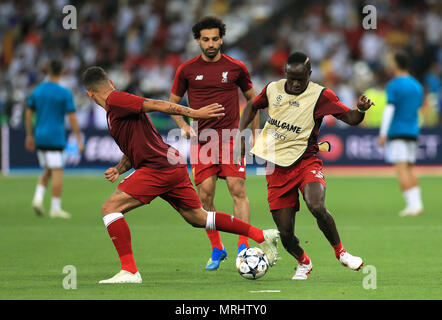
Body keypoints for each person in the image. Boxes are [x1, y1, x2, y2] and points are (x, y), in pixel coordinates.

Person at [81, 66, 279, 284]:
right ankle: (261, 235)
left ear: (89, 93)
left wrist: (194, 114)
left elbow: (156, 104)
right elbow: (134, 148)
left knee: (110, 208)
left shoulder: (116, 100)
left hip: (157, 168)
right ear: (110, 80)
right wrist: (119, 169)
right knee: (199, 218)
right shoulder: (115, 109)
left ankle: (129, 270)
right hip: (170, 165)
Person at [234, 52, 374, 280]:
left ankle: (341, 253)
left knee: (316, 205)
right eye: (292, 78)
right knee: (286, 233)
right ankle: (303, 262)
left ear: (310, 74)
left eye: (301, 78)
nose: (296, 83)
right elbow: (251, 106)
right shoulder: (273, 89)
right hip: (276, 168)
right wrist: (239, 134)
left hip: (306, 161)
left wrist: (360, 110)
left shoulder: (321, 96)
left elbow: (350, 118)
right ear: (286, 74)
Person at [169, 16, 259, 270]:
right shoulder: (186, 70)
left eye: (215, 39)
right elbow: (173, 103)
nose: (211, 43)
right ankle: (217, 247)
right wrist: (184, 126)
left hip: (231, 139)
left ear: (222, 39)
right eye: (206, 39)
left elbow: (253, 101)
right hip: (203, 142)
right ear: (198, 41)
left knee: (238, 190)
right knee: (204, 196)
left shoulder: (236, 67)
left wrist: (253, 134)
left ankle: (243, 246)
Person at [25, 59, 85, 219]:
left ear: (48, 70)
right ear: (62, 72)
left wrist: (29, 134)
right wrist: (79, 140)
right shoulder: (64, 93)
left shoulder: (38, 90)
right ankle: (55, 208)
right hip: (55, 137)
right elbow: (72, 118)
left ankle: (37, 199)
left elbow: (28, 112)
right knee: (58, 171)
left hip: (39, 136)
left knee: (48, 170)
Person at [378, 51, 424, 217]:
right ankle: (417, 204)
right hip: (413, 130)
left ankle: (412, 205)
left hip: (398, 131)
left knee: (401, 169)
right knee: (410, 168)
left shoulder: (394, 85)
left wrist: (383, 133)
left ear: (396, 64)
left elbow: (389, 109)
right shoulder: (417, 85)